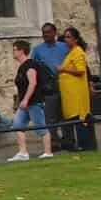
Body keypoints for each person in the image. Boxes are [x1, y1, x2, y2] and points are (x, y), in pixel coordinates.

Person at [8, 41, 55, 162]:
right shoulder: (22, 66)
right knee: (17, 126)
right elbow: (21, 87)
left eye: (14, 49)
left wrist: (26, 99)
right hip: (25, 103)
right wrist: (19, 101)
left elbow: (32, 83)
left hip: (34, 101)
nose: (13, 52)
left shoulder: (30, 65)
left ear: (21, 51)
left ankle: (48, 152)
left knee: (40, 127)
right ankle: (23, 152)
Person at [31, 24, 74, 152]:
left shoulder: (64, 47)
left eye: (49, 32)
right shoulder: (38, 50)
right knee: (50, 115)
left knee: (66, 113)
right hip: (48, 86)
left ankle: (68, 140)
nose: (46, 35)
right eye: (44, 33)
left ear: (54, 32)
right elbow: (34, 68)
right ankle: (54, 141)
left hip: (65, 83)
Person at [58, 28, 98, 152]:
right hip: (70, 95)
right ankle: (80, 144)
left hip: (77, 95)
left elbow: (81, 70)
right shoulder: (71, 53)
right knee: (74, 120)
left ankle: (86, 145)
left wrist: (63, 70)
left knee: (81, 120)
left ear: (75, 39)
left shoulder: (78, 52)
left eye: (69, 37)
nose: (66, 40)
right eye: (65, 37)